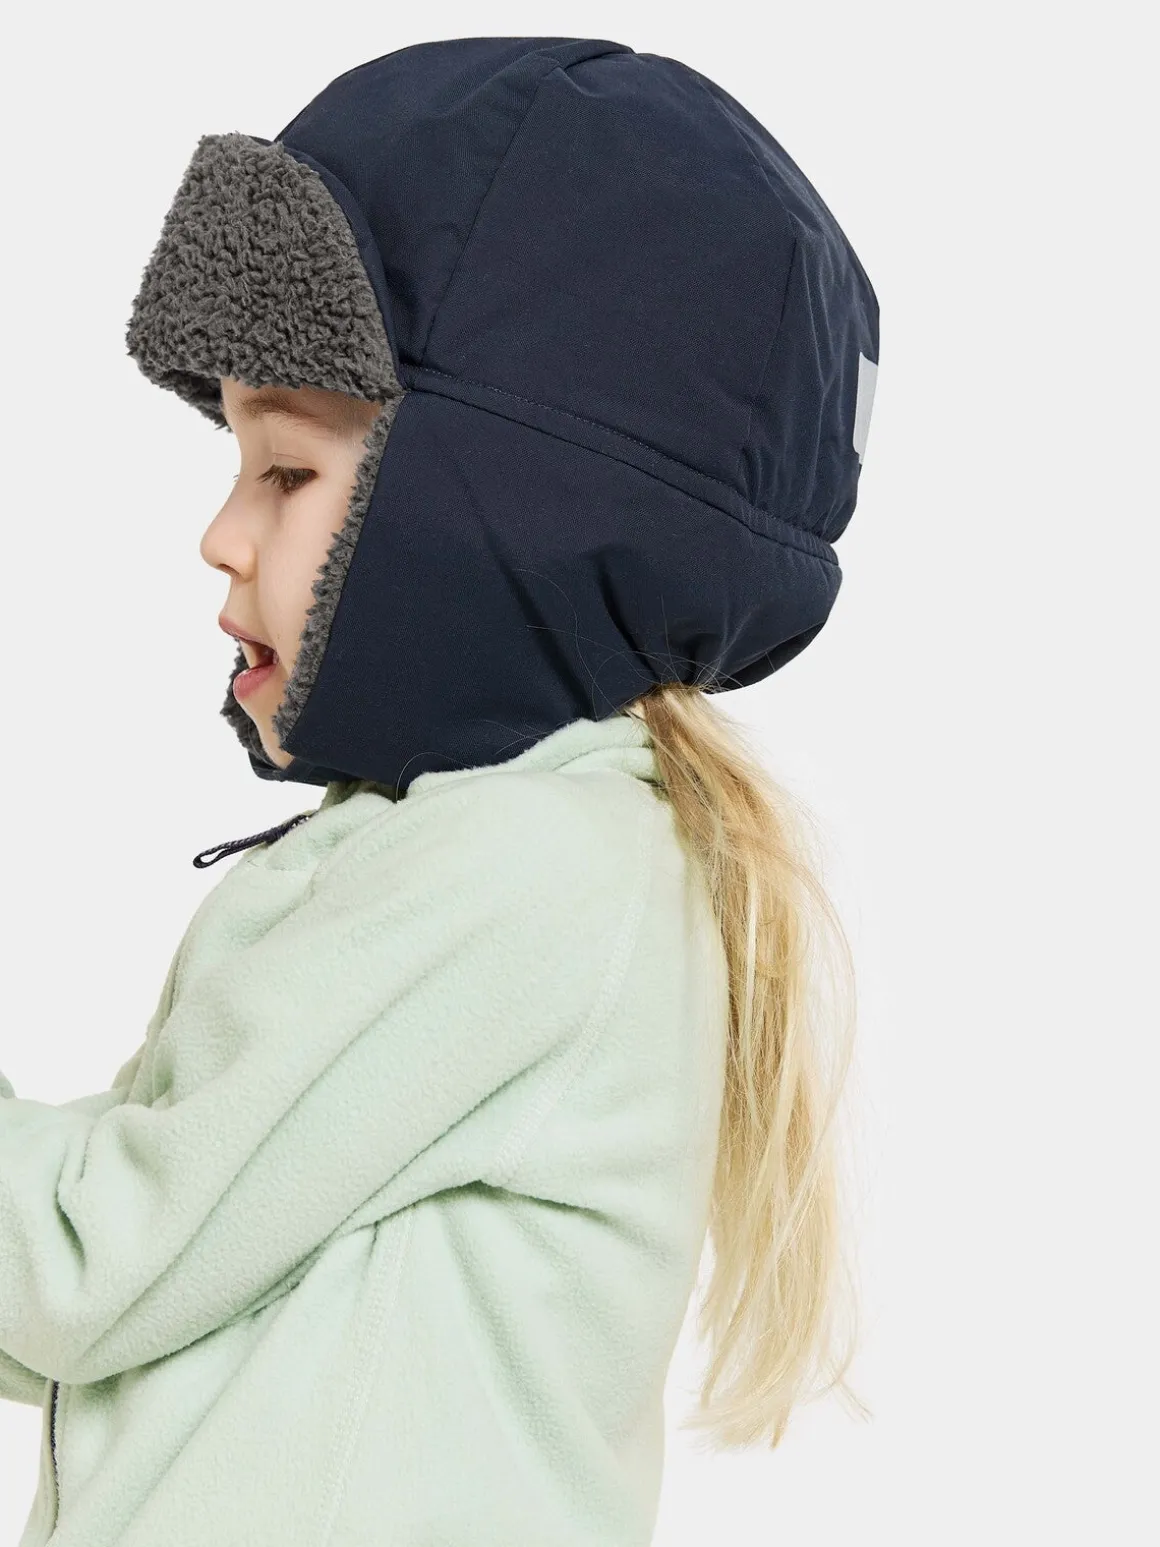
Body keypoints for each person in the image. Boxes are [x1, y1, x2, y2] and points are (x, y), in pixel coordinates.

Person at [0, 35, 880, 1547]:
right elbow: (70, 1317)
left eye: (286, 473)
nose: (220, 533)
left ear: (498, 512)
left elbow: (87, 1267)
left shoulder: (518, 865)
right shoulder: (506, 850)